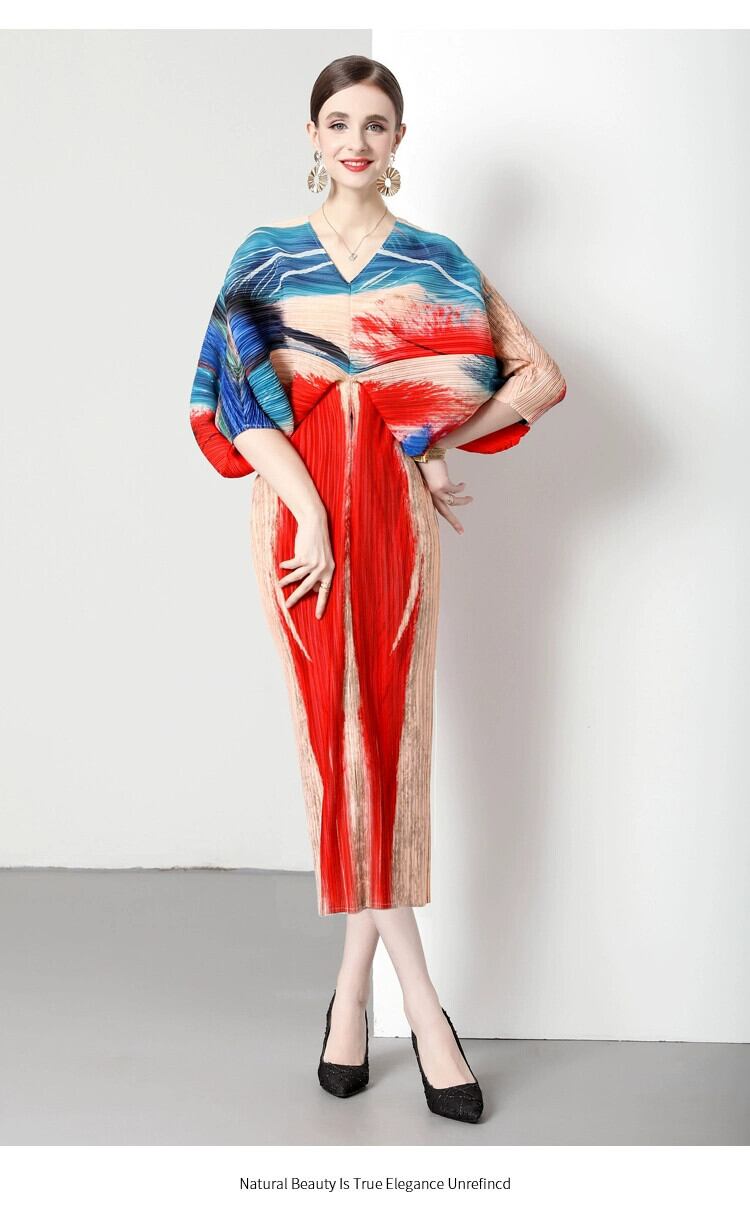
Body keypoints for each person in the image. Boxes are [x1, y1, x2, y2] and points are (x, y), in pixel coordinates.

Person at [188, 54, 566, 1124]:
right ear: (312, 134)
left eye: (377, 123)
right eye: (340, 121)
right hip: (297, 521)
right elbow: (233, 403)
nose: (357, 140)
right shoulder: (265, 257)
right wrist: (309, 509)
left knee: (388, 745)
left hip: (398, 525)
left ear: (400, 141)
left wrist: (431, 437)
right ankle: (424, 1005)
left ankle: (356, 991)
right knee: (333, 744)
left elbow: (538, 376)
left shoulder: (435, 263)